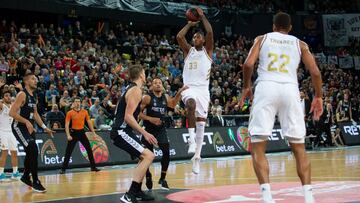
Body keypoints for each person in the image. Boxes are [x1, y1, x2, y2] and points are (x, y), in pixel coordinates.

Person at [240, 12, 323, 203]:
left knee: (259, 146)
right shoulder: (300, 43)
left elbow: (248, 64)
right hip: (290, 90)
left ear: (273, 26)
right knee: (299, 147)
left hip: (266, 87)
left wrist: (246, 87)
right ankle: (309, 197)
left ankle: (267, 197)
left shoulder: (262, 38)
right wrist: (318, 96)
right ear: (290, 28)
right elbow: (315, 72)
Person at [110, 65, 158, 203]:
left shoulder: (130, 88)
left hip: (124, 130)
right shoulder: (136, 90)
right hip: (121, 131)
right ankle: (129, 194)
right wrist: (144, 132)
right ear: (142, 75)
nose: (146, 75)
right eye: (145, 73)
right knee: (149, 155)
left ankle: (137, 191)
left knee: (144, 157)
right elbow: (128, 117)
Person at [176, 7, 213, 174]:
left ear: (204, 41)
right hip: (189, 88)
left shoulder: (208, 52)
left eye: (198, 36)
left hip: (203, 91)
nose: (195, 38)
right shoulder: (188, 51)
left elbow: (210, 31)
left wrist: (203, 17)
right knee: (190, 104)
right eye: (194, 36)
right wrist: (190, 25)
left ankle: (197, 157)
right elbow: (179, 36)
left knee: (201, 124)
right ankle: (191, 141)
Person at [9, 72, 55, 192]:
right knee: (32, 148)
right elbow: (12, 113)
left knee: (32, 151)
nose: (36, 81)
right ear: (26, 81)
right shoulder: (21, 94)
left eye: (36, 79)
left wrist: (45, 127)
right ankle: (35, 181)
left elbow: (35, 114)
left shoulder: (34, 96)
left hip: (28, 127)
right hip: (19, 127)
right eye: (33, 79)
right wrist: (26, 122)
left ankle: (25, 176)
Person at [140, 78, 187, 190]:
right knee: (146, 156)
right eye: (155, 83)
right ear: (151, 86)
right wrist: (150, 119)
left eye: (160, 83)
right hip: (148, 130)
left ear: (162, 85)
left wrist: (180, 92)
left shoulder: (165, 97)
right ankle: (148, 175)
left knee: (166, 152)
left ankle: (162, 178)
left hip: (161, 129)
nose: (158, 84)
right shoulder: (147, 97)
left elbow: (173, 104)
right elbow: (137, 113)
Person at [59, 97, 100, 174]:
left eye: (79, 101)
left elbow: (89, 122)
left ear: (80, 103)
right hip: (74, 133)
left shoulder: (84, 112)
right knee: (68, 152)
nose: (77, 103)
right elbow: (67, 125)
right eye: (76, 101)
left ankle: (93, 167)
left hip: (82, 132)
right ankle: (63, 169)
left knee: (89, 149)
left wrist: (93, 133)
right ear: (73, 103)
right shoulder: (70, 113)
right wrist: (68, 135)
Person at [0, 91, 21, 181]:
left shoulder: (12, 106)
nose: (8, 97)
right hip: (2, 131)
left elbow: (20, 102)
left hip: (10, 132)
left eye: (9, 96)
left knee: (14, 152)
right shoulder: (2, 106)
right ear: (3, 98)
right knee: (4, 152)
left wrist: (20, 90)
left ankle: (15, 173)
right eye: (6, 96)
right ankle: (1, 174)